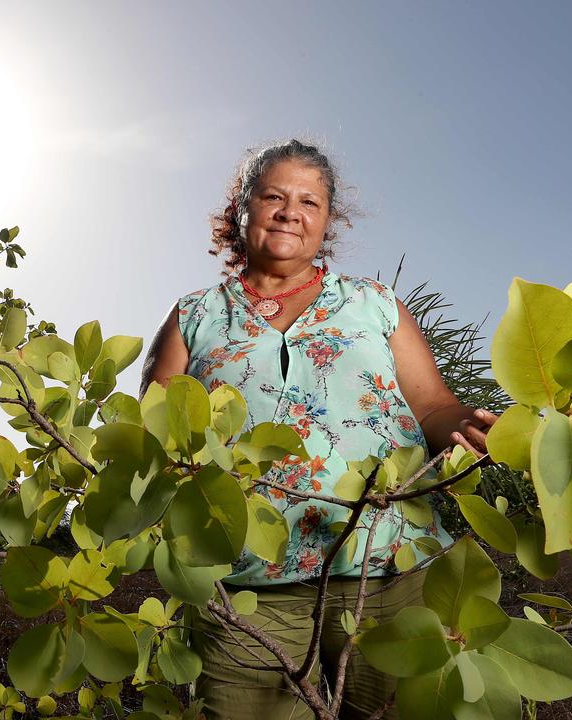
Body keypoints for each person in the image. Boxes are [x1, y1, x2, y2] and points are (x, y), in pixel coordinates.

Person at [140, 140, 498, 719]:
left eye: (309, 201)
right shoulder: (195, 316)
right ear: (243, 209)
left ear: (327, 221)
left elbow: (432, 406)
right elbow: (155, 433)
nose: (290, 211)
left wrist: (467, 426)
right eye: (274, 196)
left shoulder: (375, 304)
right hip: (247, 584)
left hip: (390, 564)